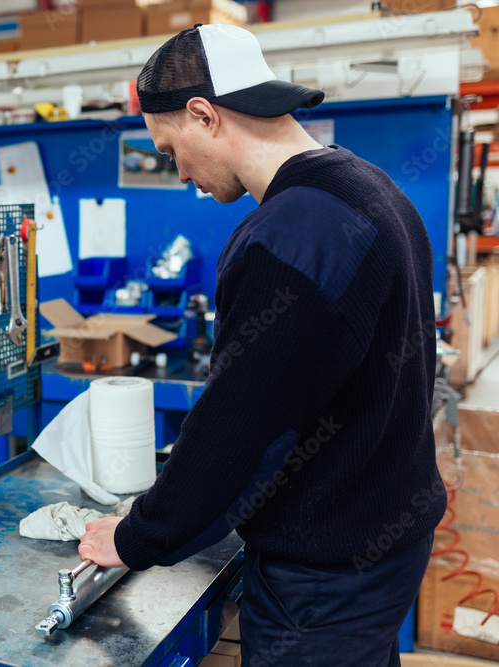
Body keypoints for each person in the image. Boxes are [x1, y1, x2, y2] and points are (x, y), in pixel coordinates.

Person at [78, 24, 446, 667]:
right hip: (383, 539)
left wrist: (139, 535)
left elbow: (239, 432)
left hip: (324, 574)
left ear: (203, 114)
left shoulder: (290, 234)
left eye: (171, 150)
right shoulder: (370, 188)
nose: (182, 173)